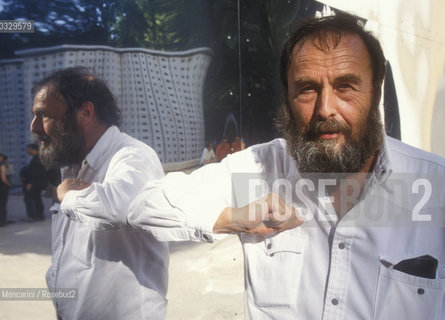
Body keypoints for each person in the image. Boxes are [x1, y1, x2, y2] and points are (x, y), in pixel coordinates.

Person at [128, 12, 445, 320]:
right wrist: (234, 218)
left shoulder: (434, 187)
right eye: (307, 89)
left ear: (375, 90)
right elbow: (141, 204)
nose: (325, 108)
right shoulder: (259, 170)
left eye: (346, 86)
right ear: (288, 97)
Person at [30, 67, 167, 319]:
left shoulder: (133, 156)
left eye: (44, 115)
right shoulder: (73, 167)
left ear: (85, 112)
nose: (34, 127)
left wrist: (69, 195)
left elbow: (119, 208)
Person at [23, 143, 48, 221]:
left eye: (28, 149)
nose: (27, 151)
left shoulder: (36, 159)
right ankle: (39, 216)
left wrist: (30, 183)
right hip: (37, 183)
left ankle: (37, 216)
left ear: (32, 149)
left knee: (35, 200)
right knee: (37, 199)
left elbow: (35, 173)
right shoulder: (38, 158)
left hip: (36, 183)